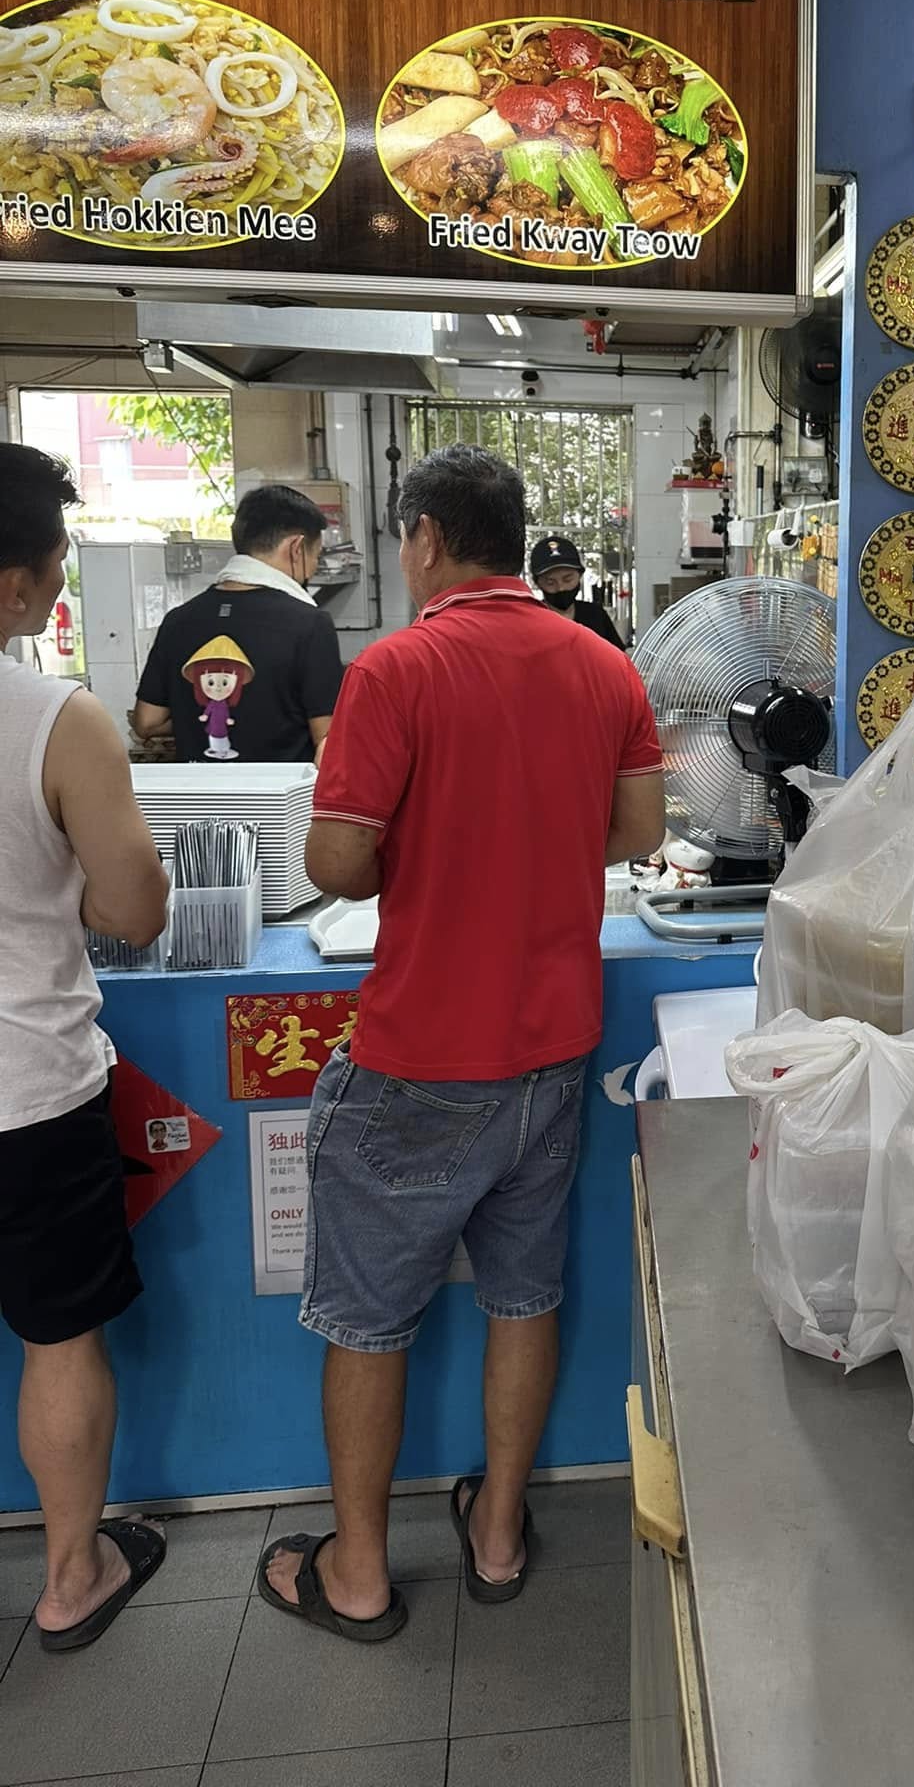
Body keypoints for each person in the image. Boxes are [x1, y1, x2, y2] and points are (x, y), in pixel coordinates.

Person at [260, 444, 664, 1640]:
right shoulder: (604, 665)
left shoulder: (398, 666)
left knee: (367, 1317)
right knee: (523, 1295)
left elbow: (332, 859)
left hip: (421, 1058)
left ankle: (361, 1576)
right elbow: (638, 829)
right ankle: (496, 1535)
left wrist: (431, 851)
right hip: (553, 1060)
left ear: (426, 536)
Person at [0, 444, 171, 1650]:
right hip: (25, 1090)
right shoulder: (55, 717)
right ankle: (72, 1576)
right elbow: (134, 906)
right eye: (56, 570)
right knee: (59, 1335)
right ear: (14, 585)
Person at [131, 483, 343, 764]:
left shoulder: (178, 620)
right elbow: (327, 741)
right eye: (316, 555)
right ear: (296, 547)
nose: (314, 566)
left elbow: (147, 722)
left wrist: (205, 719)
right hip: (278, 802)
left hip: (199, 800)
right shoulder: (311, 624)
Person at [529, 534, 626, 649]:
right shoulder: (531, 623)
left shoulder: (596, 616)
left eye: (567, 579)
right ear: (537, 583)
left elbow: (620, 659)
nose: (561, 588)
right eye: (550, 582)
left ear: (580, 575)